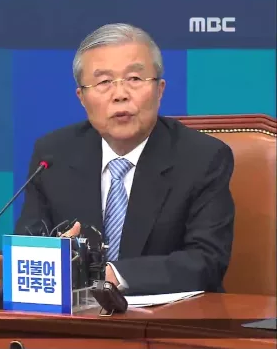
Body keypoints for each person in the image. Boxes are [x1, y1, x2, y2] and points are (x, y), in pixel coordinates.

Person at [14, 23, 235, 295]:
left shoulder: (203, 158)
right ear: (82, 97)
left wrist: (110, 275)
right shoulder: (52, 155)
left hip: (167, 315)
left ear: (160, 90)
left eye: (134, 79)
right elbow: (29, 248)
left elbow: (206, 261)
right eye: (104, 82)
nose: (120, 95)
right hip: (76, 316)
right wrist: (54, 255)